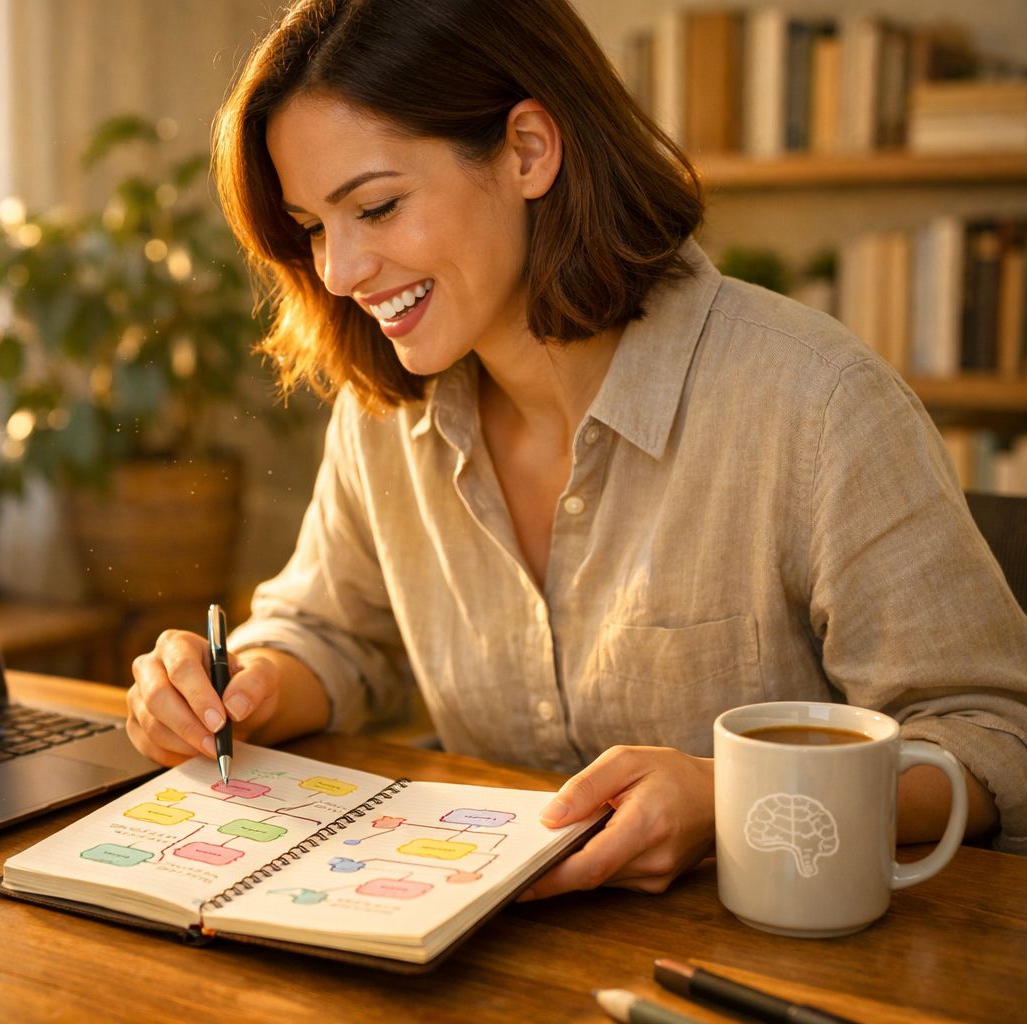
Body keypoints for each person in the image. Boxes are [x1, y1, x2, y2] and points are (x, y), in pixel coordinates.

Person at [124, 0, 1027, 898]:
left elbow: (994, 741)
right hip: (479, 941)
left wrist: (736, 799)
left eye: (378, 206)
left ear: (528, 150)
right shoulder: (386, 415)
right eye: (314, 227)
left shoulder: (817, 403)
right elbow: (330, 632)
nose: (339, 271)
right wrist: (239, 689)